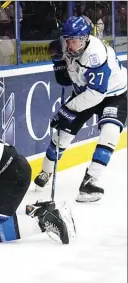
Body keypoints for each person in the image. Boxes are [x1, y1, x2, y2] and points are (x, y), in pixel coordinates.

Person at [34, 16, 127, 203]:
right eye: (66, 40)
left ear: (85, 38)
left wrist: (66, 109)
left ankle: (91, 181)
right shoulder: (65, 47)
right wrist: (58, 63)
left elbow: (96, 95)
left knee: (110, 132)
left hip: (112, 93)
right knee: (62, 133)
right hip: (84, 91)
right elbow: (64, 80)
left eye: (73, 40)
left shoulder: (96, 54)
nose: (69, 45)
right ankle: (46, 171)